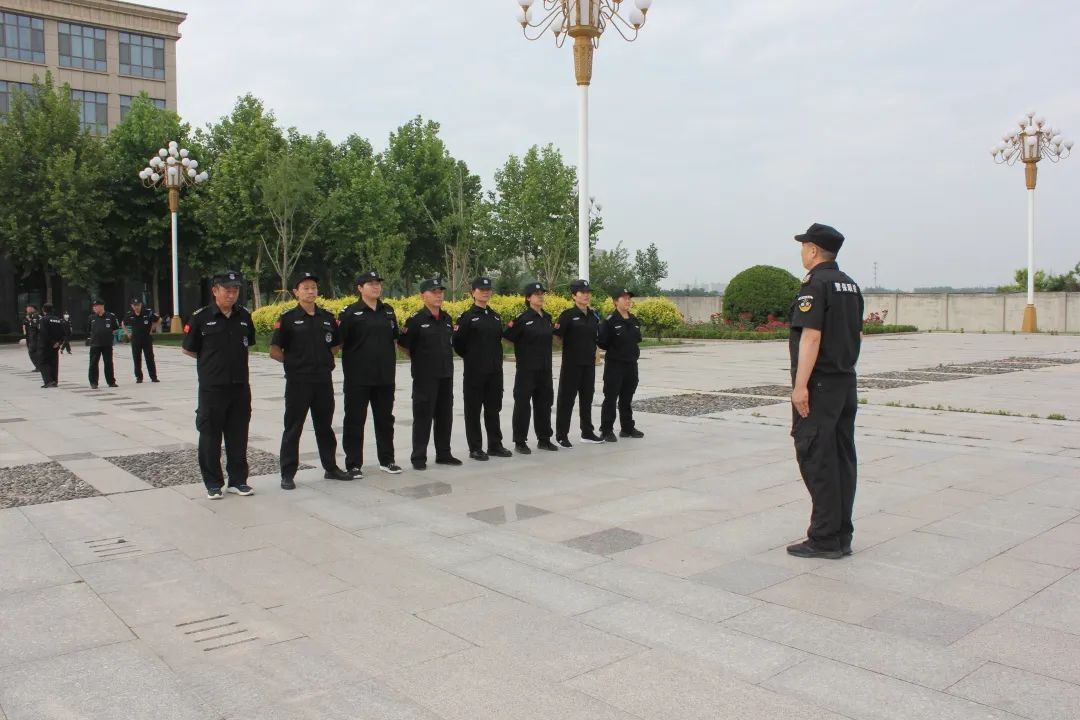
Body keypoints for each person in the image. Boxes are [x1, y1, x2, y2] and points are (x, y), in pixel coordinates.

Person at [787, 223, 863, 560]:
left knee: (817, 458)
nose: (802, 252)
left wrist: (800, 385)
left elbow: (811, 336)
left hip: (819, 386)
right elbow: (856, 336)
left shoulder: (815, 285)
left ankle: (825, 537)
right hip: (845, 383)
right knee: (842, 458)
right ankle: (841, 533)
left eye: (804, 246)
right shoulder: (850, 285)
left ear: (814, 250)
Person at [269, 272, 350, 490]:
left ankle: (330, 467)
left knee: (325, 426)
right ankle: (287, 473)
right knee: (293, 427)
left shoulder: (327, 317)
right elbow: (275, 350)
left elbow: (335, 345)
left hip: (323, 380)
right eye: (305, 288)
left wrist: (322, 360)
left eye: (313, 287)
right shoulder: (287, 318)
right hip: (298, 381)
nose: (310, 291)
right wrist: (294, 363)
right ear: (296, 292)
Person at [181, 271, 256, 500]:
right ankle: (213, 483)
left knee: (238, 435)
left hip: (239, 386)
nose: (231, 294)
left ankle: (238, 481)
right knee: (210, 436)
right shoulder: (201, 317)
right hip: (212, 388)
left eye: (235, 290)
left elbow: (249, 343)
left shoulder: (244, 316)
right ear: (215, 291)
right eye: (227, 290)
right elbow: (188, 349)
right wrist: (212, 364)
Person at [338, 270, 402, 478]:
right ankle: (353, 464)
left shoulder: (388, 311)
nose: (376, 287)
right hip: (358, 377)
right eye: (370, 283)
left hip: (384, 376)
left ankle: (387, 460)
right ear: (360, 288)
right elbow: (339, 343)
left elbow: (394, 339)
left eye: (378, 283)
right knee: (355, 420)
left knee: (385, 420)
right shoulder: (350, 313)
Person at [397, 278, 460, 470]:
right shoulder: (416, 320)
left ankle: (444, 453)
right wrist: (419, 360)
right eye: (434, 292)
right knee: (423, 417)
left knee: (445, 416)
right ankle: (418, 457)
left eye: (440, 291)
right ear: (423, 296)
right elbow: (403, 345)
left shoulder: (447, 318)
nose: (438, 295)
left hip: (446, 374)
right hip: (425, 377)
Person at [453, 277, 513, 461]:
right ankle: (475, 448)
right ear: (473, 293)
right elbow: (458, 343)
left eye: (488, 289)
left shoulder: (495, 316)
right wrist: (472, 358)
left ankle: (495, 444)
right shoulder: (467, 317)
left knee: (493, 409)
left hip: (494, 371)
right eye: (481, 289)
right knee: (473, 411)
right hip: (475, 371)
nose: (485, 292)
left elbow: (497, 341)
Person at [503, 282, 558, 454]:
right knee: (523, 405)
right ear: (528, 298)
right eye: (536, 294)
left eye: (542, 294)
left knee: (544, 404)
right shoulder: (522, 319)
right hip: (527, 369)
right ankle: (520, 441)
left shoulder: (547, 317)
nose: (540, 296)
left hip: (545, 368)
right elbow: (507, 337)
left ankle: (544, 439)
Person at [553, 278, 604, 447]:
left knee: (587, 399)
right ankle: (562, 435)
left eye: (588, 292)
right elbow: (556, 336)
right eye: (582, 292)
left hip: (588, 364)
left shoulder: (594, 315)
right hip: (571, 365)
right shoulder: (567, 315)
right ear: (574, 295)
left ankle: (587, 432)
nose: (586, 295)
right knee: (566, 400)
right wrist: (570, 348)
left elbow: (596, 337)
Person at [597, 287, 644, 442]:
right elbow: (602, 342)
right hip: (615, 365)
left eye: (629, 298)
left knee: (627, 397)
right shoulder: (610, 321)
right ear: (615, 301)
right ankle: (606, 430)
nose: (628, 301)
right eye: (624, 298)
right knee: (611, 398)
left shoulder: (633, 320)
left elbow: (637, 340)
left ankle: (627, 427)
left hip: (631, 364)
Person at [123, 297, 160, 383]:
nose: (136, 307)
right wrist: (128, 333)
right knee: (137, 359)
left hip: (146, 339)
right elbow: (123, 323)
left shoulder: (148, 312)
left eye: (138, 305)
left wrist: (152, 329)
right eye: (134, 305)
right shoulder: (130, 314)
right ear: (132, 306)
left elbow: (159, 319)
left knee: (149, 358)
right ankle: (139, 377)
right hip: (135, 340)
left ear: (141, 305)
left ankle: (153, 377)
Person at [86, 300, 119, 389]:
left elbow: (115, 329)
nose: (94, 308)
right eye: (93, 306)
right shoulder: (91, 317)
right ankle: (93, 382)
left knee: (108, 363)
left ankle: (111, 382)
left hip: (107, 344)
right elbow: (89, 330)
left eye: (96, 306)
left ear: (101, 306)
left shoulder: (111, 316)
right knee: (93, 363)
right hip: (95, 344)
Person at [36, 303, 65, 388]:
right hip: (55, 346)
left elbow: (44, 333)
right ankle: (54, 381)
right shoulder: (58, 319)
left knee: (42, 362)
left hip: (45, 345)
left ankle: (48, 380)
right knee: (54, 363)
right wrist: (58, 342)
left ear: (43, 310)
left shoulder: (43, 320)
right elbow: (63, 332)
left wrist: (52, 342)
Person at [21, 305, 39, 371]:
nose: (27, 310)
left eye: (29, 308)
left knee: (32, 352)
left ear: (33, 309)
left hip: (35, 338)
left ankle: (39, 366)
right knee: (32, 352)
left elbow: (36, 325)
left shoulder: (36, 316)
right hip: (29, 337)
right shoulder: (27, 316)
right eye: (27, 309)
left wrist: (29, 319)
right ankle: (38, 366)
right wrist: (24, 333)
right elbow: (24, 325)